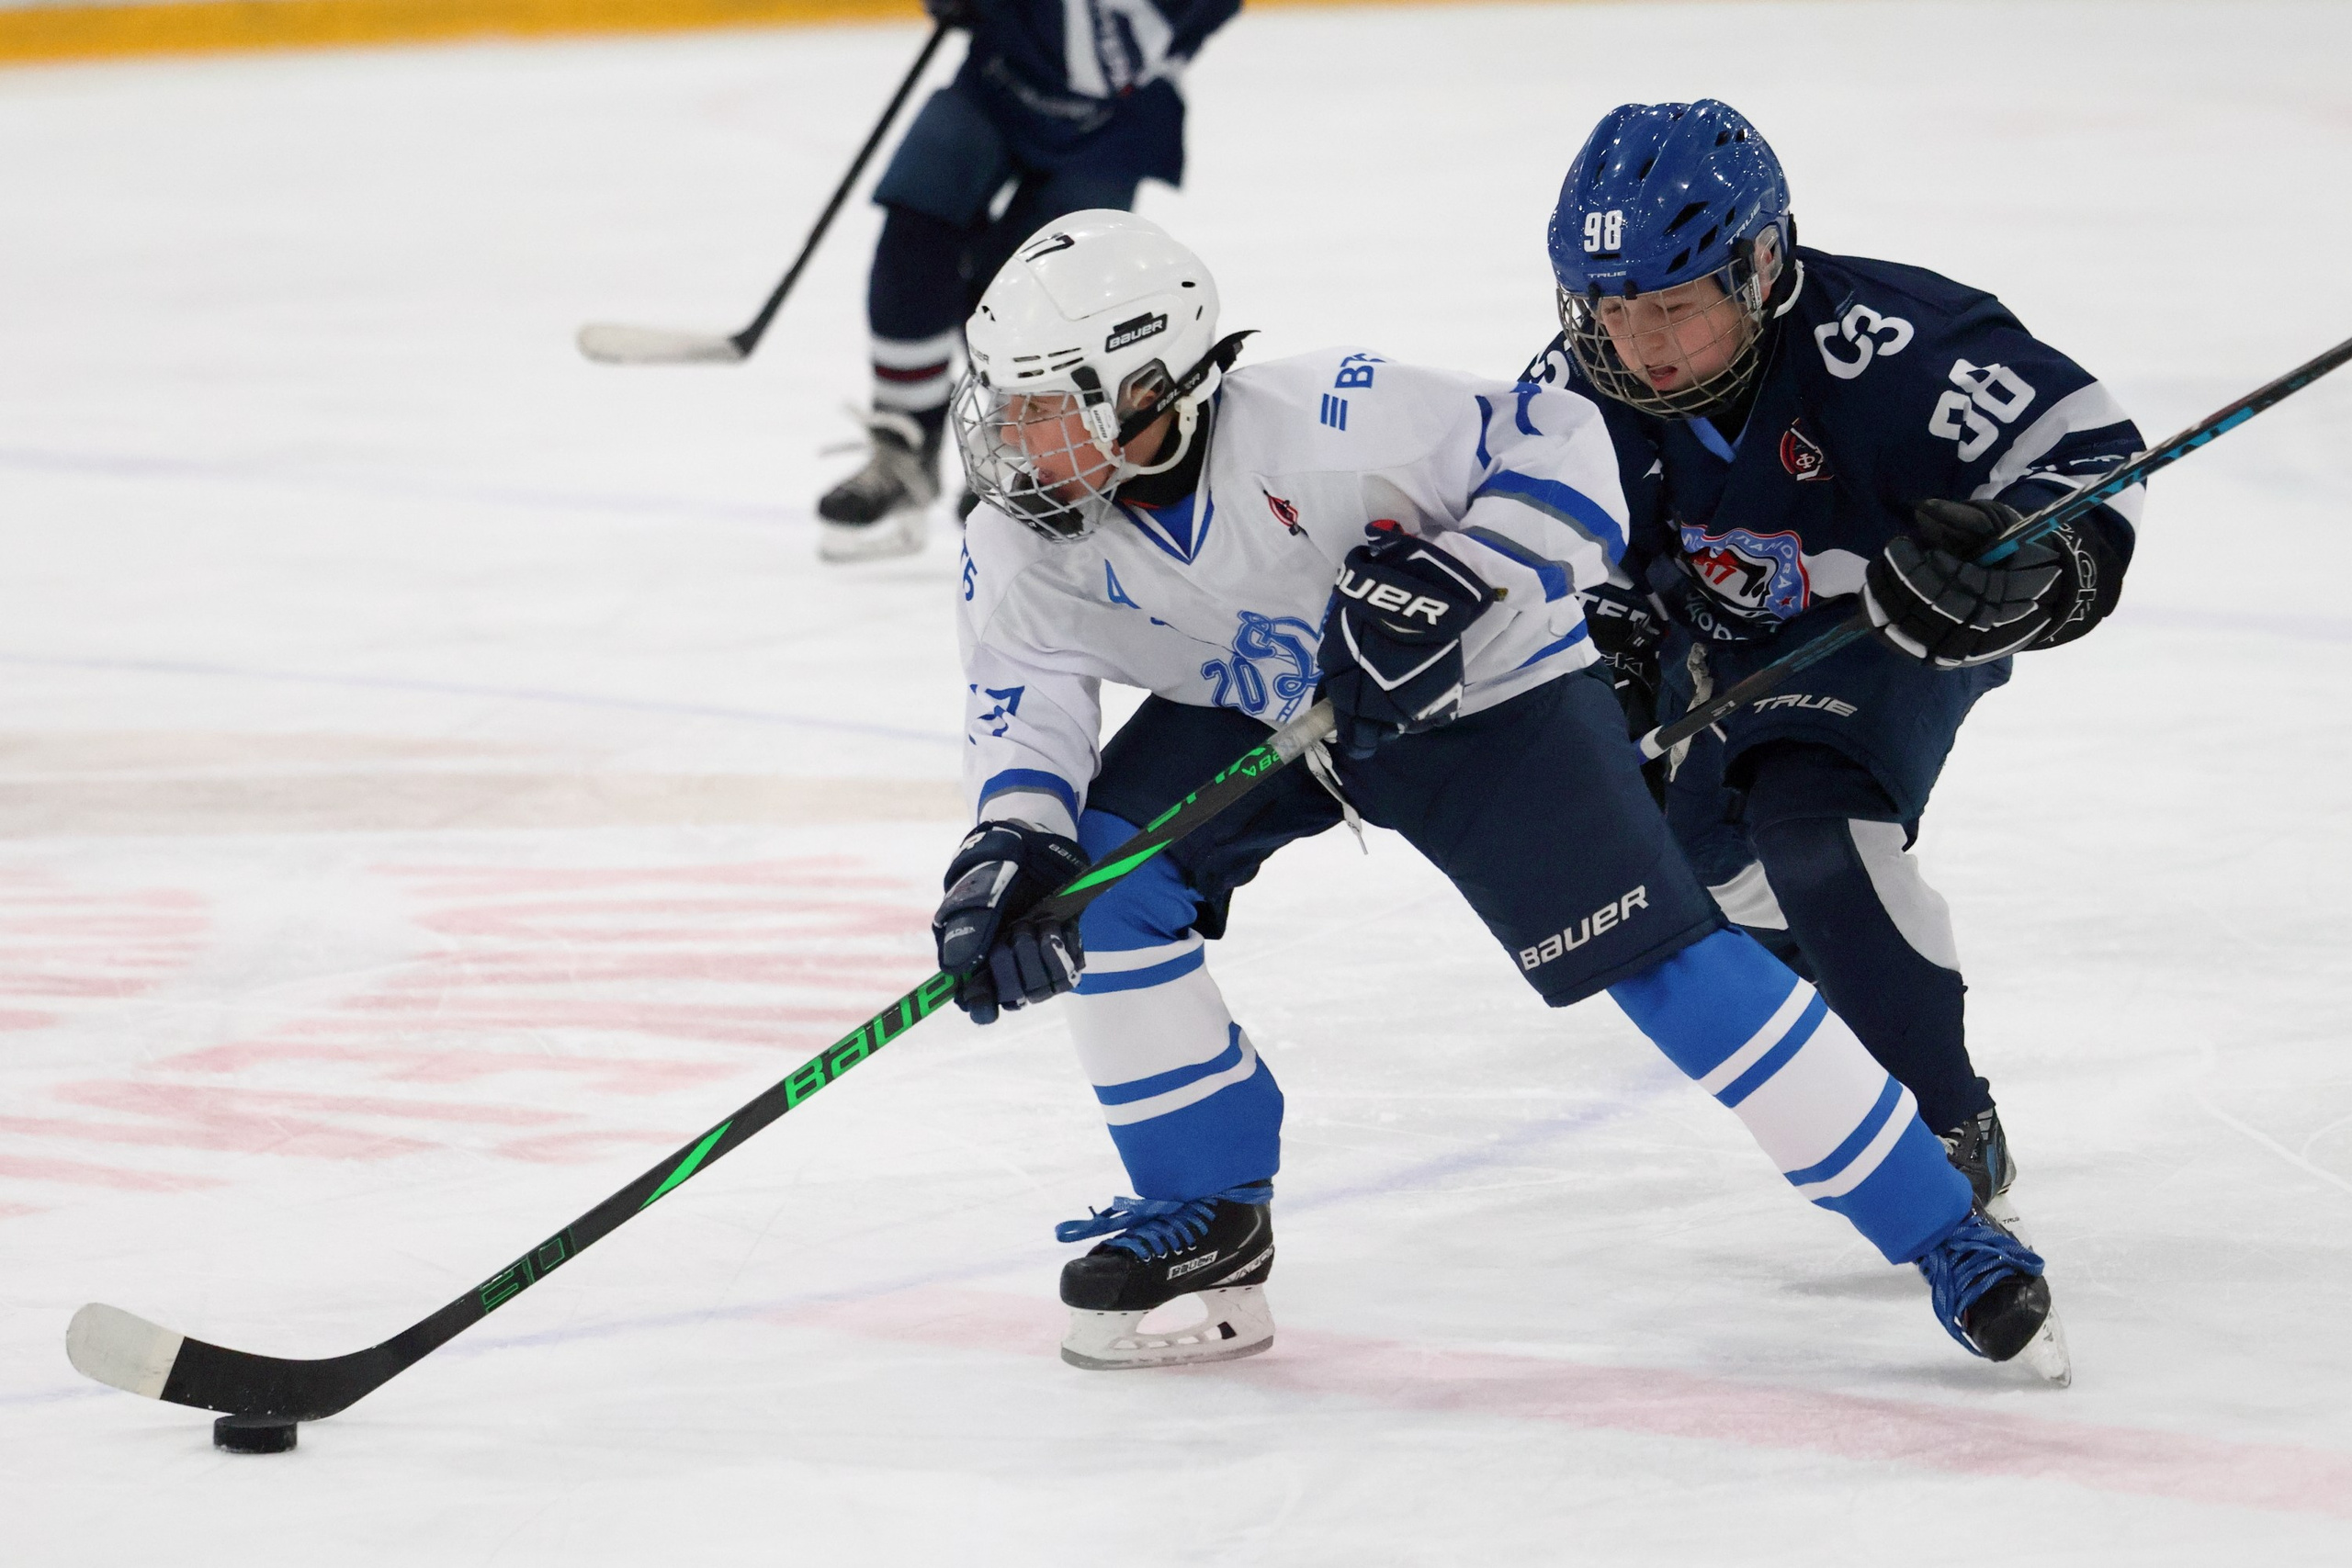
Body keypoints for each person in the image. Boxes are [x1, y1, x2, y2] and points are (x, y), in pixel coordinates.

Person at [929, 209, 2067, 1381]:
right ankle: (1205, 1218)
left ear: (1151, 385)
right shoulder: (1018, 545)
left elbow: (1559, 439)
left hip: (1481, 698)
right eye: (1005, 407)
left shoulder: (1334, 418)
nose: (1011, 442)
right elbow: (1024, 700)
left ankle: (1943, 1230)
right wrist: (1013, 841)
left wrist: (1457, 574)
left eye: (1043, 408)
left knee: (1661, 960)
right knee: (1090, 887)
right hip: (1268, 704)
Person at [1523, 101, 2143, 1234]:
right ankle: (1836, 969)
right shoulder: (1578, 379)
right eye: (1614, 308)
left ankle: (1944, 1120)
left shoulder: (1897, 344)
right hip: (1711, 639)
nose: (1641, 343)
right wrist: (1596, 637)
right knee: (1668, 844)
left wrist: (2040, 563)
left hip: (1889, 625)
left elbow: (2089, 453)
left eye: (1673, 304)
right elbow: (1554, 527)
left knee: (1811, 817)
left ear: (1760, 266)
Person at [816, 0, 1240, 563]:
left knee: (1038, 287)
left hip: (1114, 116)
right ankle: (903, 444)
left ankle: (1027, 451)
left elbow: (1107, 55)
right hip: (998, 78)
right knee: (916, 227)